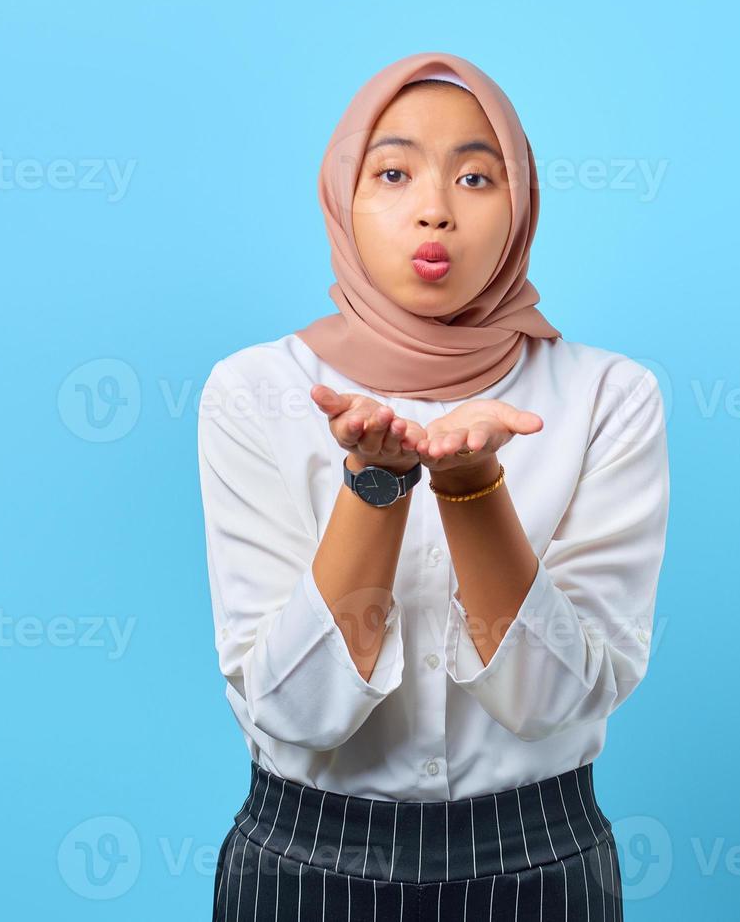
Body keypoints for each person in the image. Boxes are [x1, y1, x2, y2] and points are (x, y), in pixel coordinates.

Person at [198, 50, 669, 920]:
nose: (434, 210)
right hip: (307, 860)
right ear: (343, 197)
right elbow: (294, 712)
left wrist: (470, 489)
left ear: (520, 205)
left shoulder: (609, 394)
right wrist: (376, 483)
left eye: (477, 177)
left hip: (537, 863)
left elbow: (551, 704)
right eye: (392, 171)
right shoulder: (254, 390)